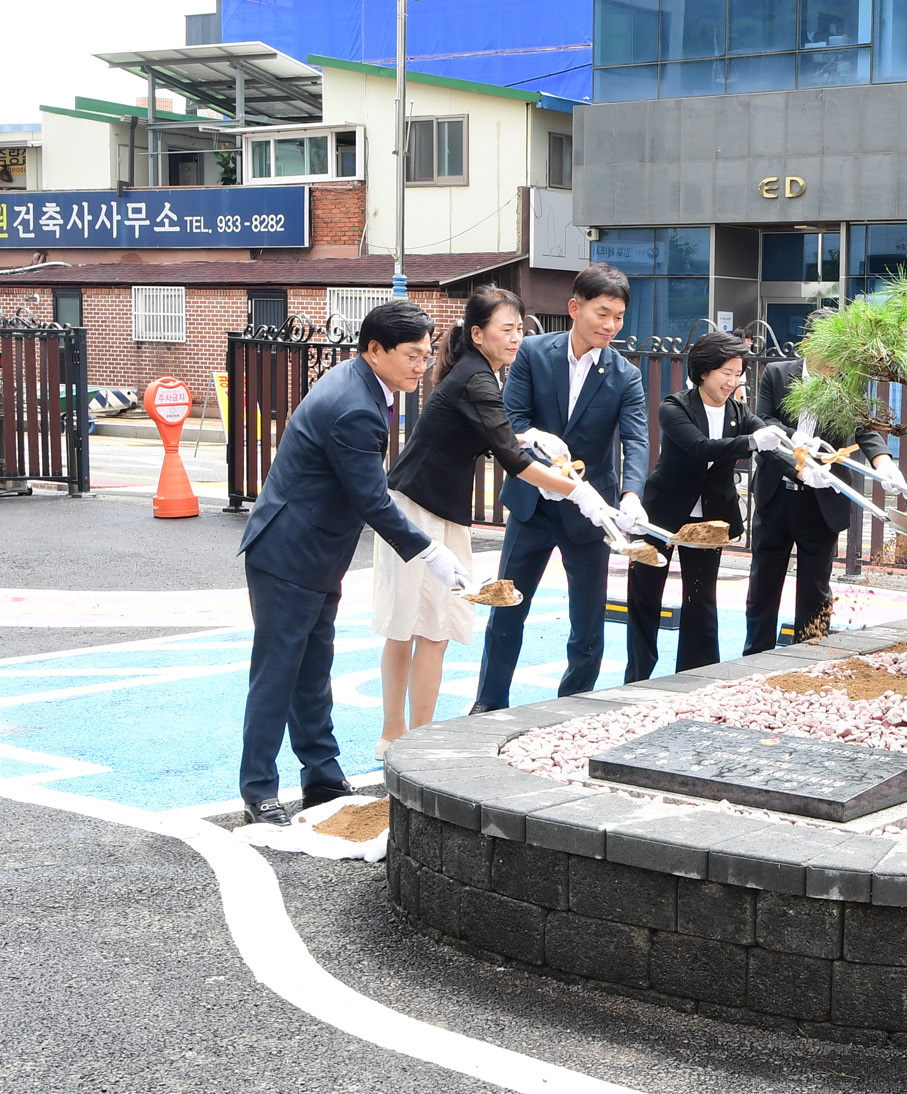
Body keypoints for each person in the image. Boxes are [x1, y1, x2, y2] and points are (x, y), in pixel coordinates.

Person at [237, 300, 470, 826]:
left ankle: (321, 775)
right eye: (412, 355)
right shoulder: (355, 407)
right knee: (278, 673)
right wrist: (430, 551)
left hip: (314, 551)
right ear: (375, 350)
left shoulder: (363, 383)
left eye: (426, 354)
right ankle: (259, 791)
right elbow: (372, 499)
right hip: (289, 553)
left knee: (312, 668)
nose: (422, 366)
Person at [371, 286, 623, 757]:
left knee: (425, 628)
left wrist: (530, 436)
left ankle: (407, 738)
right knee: (418, 627)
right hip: (420, 510)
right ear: (477, 334)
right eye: (506, 329)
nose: (515, 339)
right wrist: (580, 492)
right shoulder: (477, 378)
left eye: (519, 329)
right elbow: (513, 460)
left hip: (435, 509)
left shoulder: (478, 373)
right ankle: (401, 740)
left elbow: (500, 436)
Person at [471, 264, 650, 712]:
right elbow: (512, 421)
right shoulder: (532, 353)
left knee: (588, 620)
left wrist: (631, 494)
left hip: (590, 511)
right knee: (507, 607)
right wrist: (543, 462)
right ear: (574, 307)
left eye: (619, 317)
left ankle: (574, 706)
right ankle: (488, 703)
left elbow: (636, 439)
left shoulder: (625, 374)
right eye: (602, 313)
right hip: (532, 503)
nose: (611, 325)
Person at [626, 331, 787, 678]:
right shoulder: (674, 407)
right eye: (726, 372)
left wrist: (796, 453)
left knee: (701, 598)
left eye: (738, 374)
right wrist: (751, 441)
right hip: (660, 514)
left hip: (710, 518)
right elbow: (700, 447)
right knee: (645, 596)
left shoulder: (739, 411)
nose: (732, 381)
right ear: (703, 371)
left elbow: (769, 440)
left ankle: (696, 675)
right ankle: (637, 675)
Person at [746, 314, 903, 655]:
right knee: (763, 584)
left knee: (815, 588)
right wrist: (795, 444)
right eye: (828, 350)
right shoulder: (777, 374)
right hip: (776, 495)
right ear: (806, 345)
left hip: (822, 501)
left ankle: (810, 656)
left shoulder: (849, 385)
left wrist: (884, 463)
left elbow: (865, 430)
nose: (834, 361)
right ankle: (754, 655)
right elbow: (763, 422)